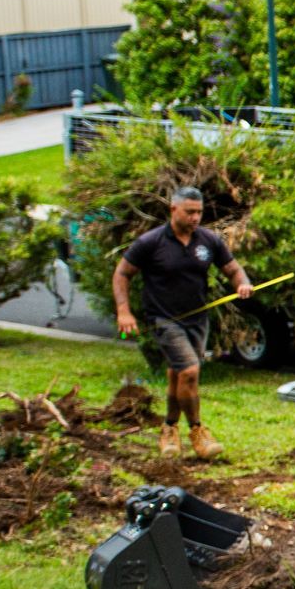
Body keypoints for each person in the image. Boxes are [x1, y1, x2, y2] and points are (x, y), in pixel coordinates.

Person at [113, 186, 253, 460]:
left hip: (198, 318)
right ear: (173, 209)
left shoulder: (208, 241)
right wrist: (123, 310)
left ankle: (169, 429)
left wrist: (243, 284)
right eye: (190, 212)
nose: (195, 218)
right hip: (164, 319)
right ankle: (198, 431)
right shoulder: (151, 242)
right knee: (189, 371)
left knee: (178, 375)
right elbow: (122, 273)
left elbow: (233, 268)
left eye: (199, 212)